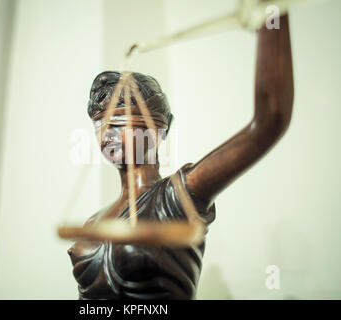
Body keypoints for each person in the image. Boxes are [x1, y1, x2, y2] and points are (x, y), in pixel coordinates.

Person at [68, 14, 293, 300]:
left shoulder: (178, 197)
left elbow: (268, 123)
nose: (107, 133)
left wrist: (272, 16)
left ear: (158, 130)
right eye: (100, 124)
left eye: (119, 121)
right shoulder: (93, 222)